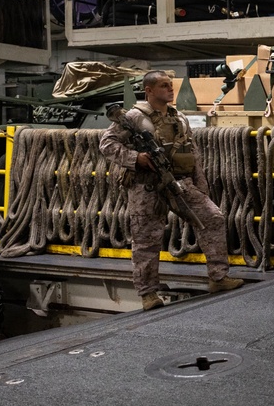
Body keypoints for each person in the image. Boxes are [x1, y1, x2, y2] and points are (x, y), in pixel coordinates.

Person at [99, 70, 244, 311]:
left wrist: (201, 187)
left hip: (180, 182)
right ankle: (148, 293)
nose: (170, 89)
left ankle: (218, 277)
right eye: (164, 85)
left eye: (170, 85)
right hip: (147, 187)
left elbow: (193, 153)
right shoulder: (134, 117)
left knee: (212, 217)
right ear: (149, 91)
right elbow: (106, 144)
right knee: (146, 239)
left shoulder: (179, 119)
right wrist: (136, 158)